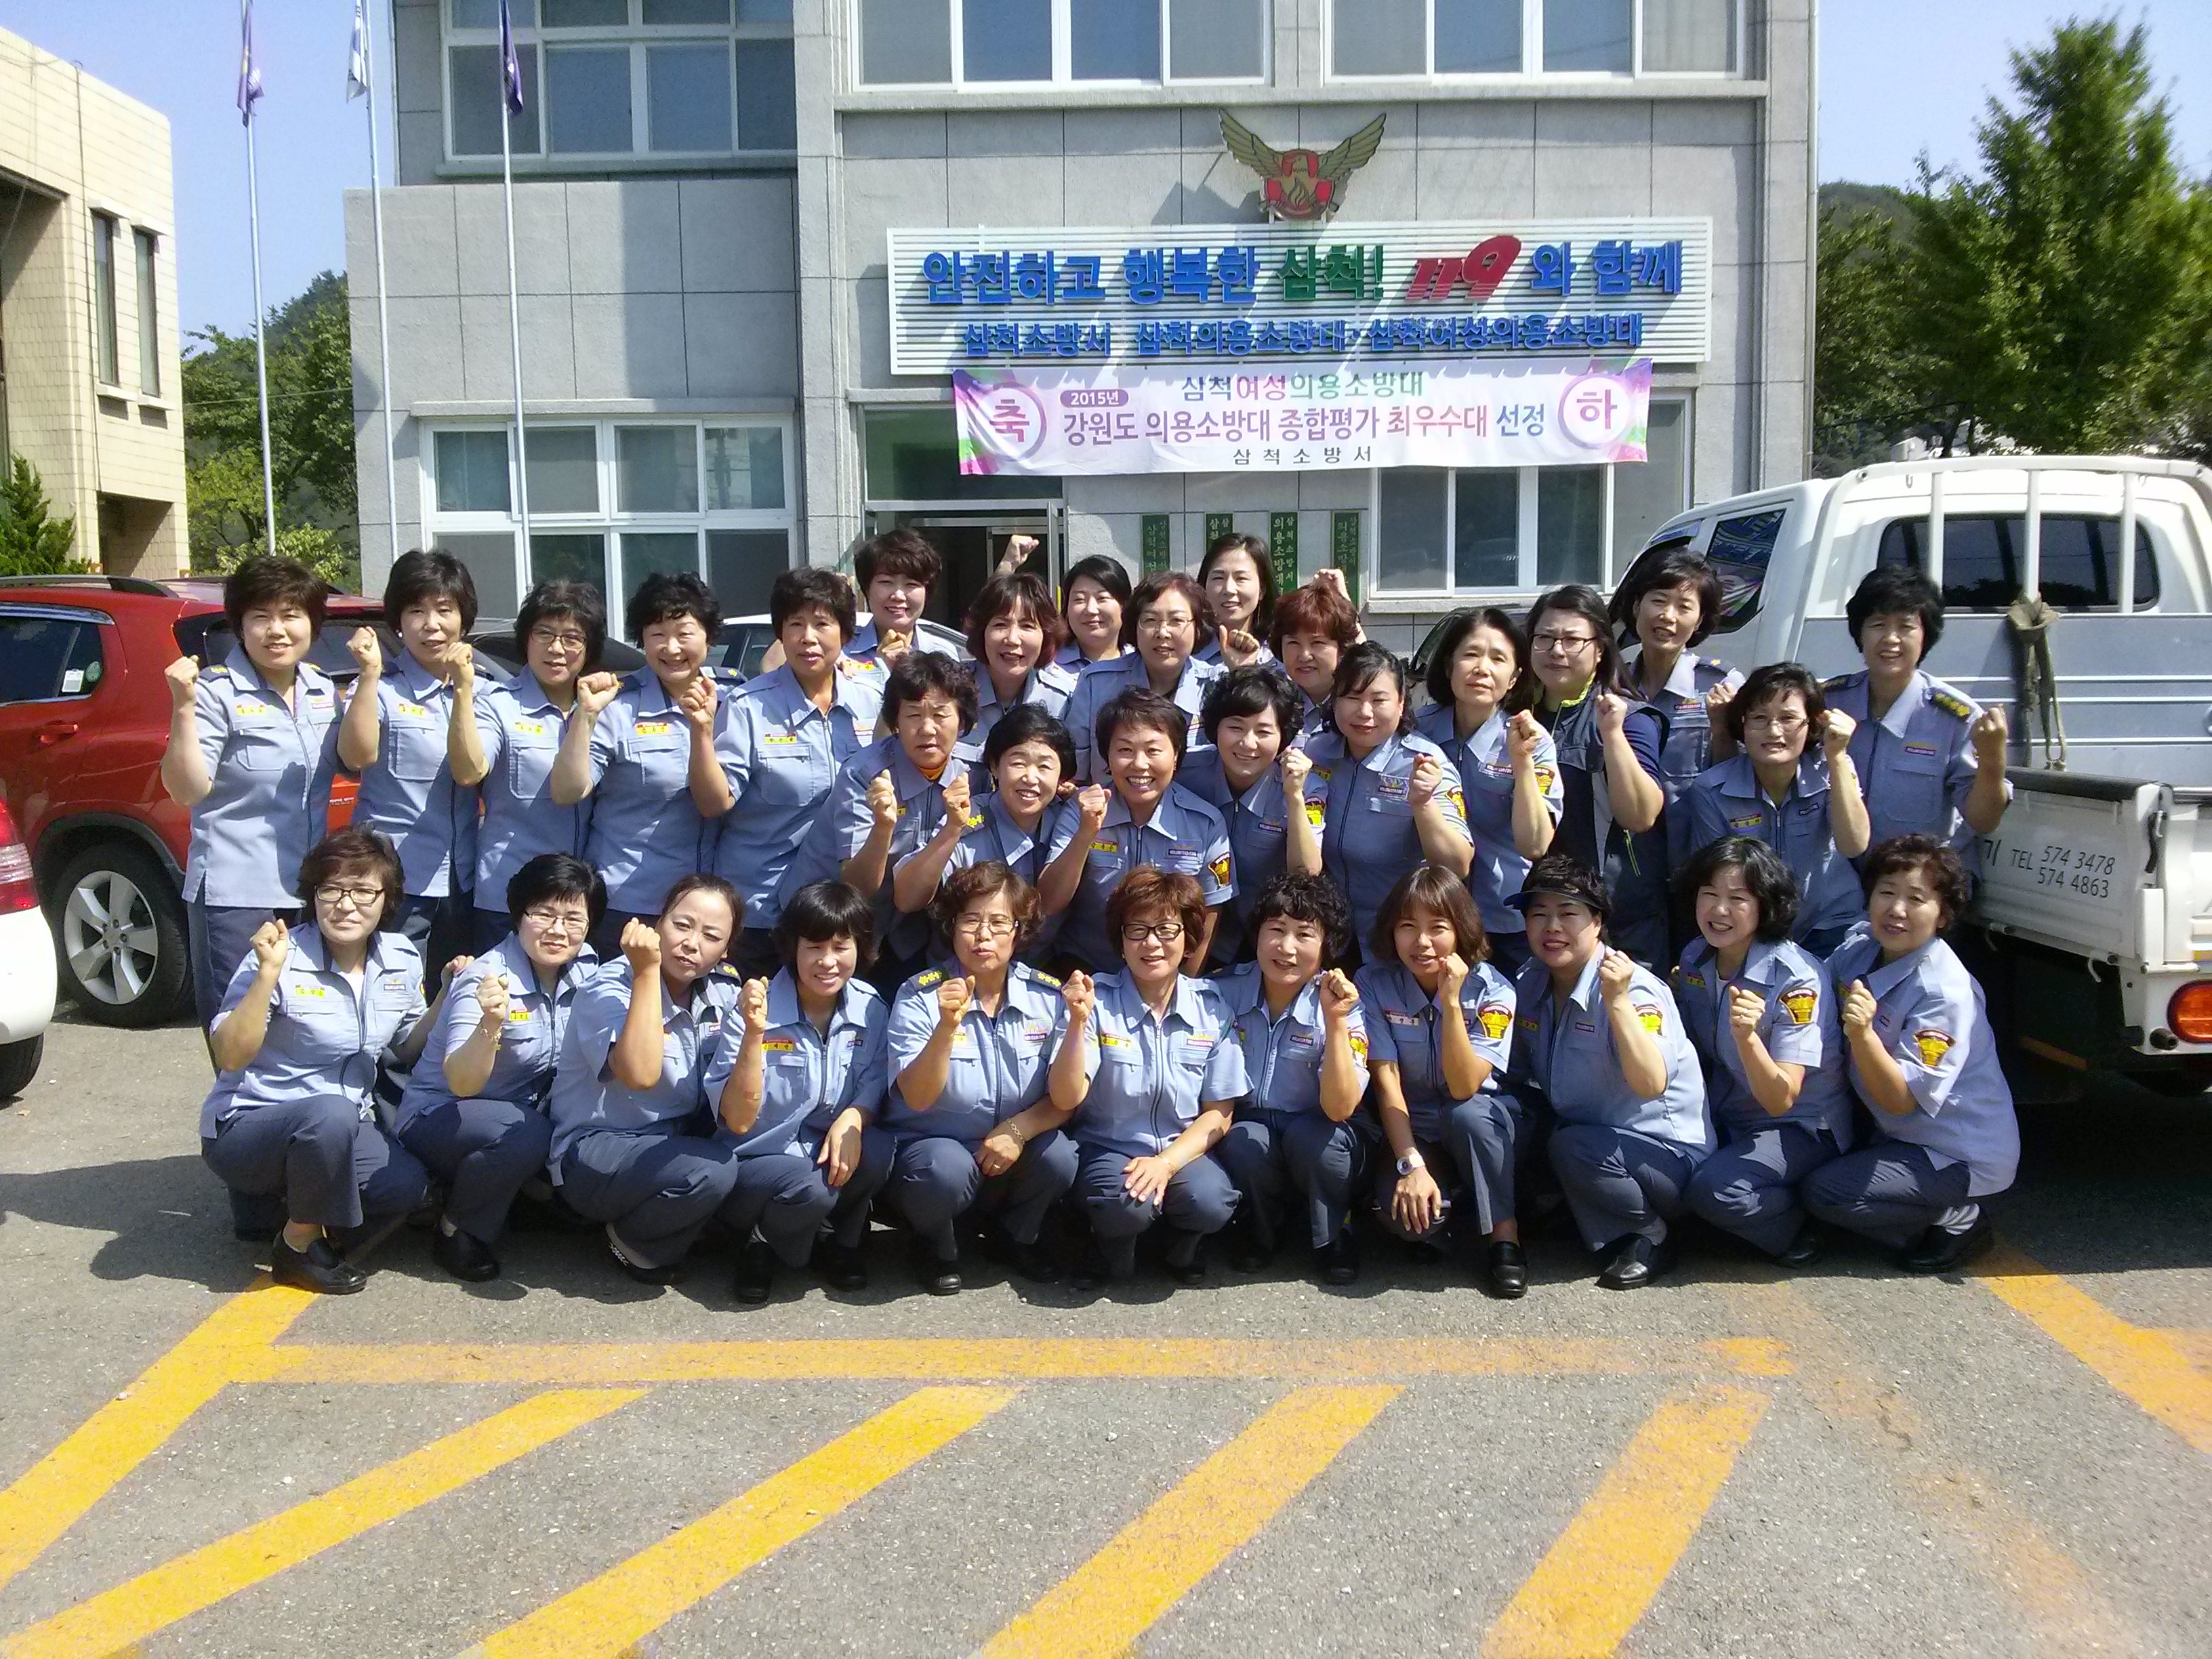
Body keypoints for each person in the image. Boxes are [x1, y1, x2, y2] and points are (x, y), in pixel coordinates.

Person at [200, 827, 444, 1294]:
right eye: (332, 889)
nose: (346, 905)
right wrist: (267, 974)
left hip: (340, 1127)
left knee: (404, 1188)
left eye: (363, 891)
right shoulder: (279, 955)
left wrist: (445, 998)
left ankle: (304, 1200)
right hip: (251, 1126)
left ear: (387, 899)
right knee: (330, 1112)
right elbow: (229, 1055)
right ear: (313, 895)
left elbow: (405, 1046)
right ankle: (296, 1244)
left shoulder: (401, 958)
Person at [1805, 836, 2019, 1271]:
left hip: (1952, 1151)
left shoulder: (1945, 993)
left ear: (1944, 915)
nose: (1897, 910)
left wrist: (1863, 1035)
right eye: (1886, 892)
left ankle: (1959, 1219)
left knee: (1826, 1194)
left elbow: (1901, 1100)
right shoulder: (1861, 947)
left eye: (1916, 899)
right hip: (1891, 1132)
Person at [395, 853, 605, 1282]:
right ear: (518, 915)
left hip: (520, 1113)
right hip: (442, 1115)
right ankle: (457, 1228)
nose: (558, 930)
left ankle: (526, 1195)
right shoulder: (486, 978)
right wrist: (490, 1024)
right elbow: (461, 1081)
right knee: (528, 1134)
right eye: (543, 914)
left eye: (573, 919)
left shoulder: (588, 970)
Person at [1508, 855, 1713, 1290]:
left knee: (1571, 1146)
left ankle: (1651, 1234)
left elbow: (1651, 1082)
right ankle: (1583, 1207)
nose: (1552, 928)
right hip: (1595, 1138)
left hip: (1668, 1156)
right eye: (1539, 915)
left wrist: (1616, 1001)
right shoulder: (1531, 980)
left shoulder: (1635, 988)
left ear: (1597, 922)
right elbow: (1515, 1071)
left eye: (1568, 914)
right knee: (1511, 1115)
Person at [162, 556, 344, 1031]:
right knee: (239, 1028)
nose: (276, 630)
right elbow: (186, 790)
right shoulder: (215, 693)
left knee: (303, 1027)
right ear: (240, 626)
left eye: (291, 616)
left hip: (308, 891)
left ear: (312, 623)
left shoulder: (322, 690)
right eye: (261, 617)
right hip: (237, 896)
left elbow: (356, 759)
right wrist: (183, 708)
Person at [882, 864, 1080, 1293]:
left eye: (998, 922)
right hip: (934, 1152)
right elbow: (917, 1097)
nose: (983, 935)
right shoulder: (919, 996)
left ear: (1019, 931)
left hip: (1011, 1149)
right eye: (970, 921)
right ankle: (935, 1244)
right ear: (951, 928)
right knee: (943, 1169)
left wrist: (1018, 1129)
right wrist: (945, 1028)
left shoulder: (1048, 997)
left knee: (1060, 1155)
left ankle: (1017, 1237)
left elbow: (1066, 1098)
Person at [546, 874, 745, 1284]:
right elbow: (639, 1074)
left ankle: (684, 1221)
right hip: (597, 1148)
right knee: (712, 1172)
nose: (691, 943)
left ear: (727, 949)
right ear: (658, 923)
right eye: (682, 925)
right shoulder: (608, 986)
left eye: (711, 936)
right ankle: (633, 1241)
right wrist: (646, 974)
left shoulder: (724, 990)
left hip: (672, 1143)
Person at [706, 880, 894, 1301]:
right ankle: (758, 1243)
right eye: (814, 947)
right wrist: (755, 1033)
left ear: (861, 948)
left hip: (823, 1155)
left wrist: (853, 1117)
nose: (828, 961)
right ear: (792, 948)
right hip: (757, 1163)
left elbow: (876, 1080)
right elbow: (736, 1119)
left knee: (878, 1149)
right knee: (811, 1186)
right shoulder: (755, 1009)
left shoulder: (871, 1007)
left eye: (841, 947)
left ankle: (836, 1241)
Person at [1061, 867, 1248, 1287]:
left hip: (1181, 1150)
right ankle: (1110, 1244)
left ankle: (1179, 1246)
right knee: (1126, 1206)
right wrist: (1076, 1023)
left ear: (1188, 938)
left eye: (1166, 929)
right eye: (1138, 930)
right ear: (1121, 941)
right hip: (1108, 1149)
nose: (1151, 943)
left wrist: (1166, 1163)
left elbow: (1219, 1112)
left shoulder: (1212, 1006)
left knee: (1212, 1202)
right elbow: (1067, 1097)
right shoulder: (1096, 1001)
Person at [1673, 837, 1853, 1265]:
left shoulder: (1797, 980)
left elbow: (1781, 1098)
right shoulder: (1696, 957)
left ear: (1766, 906)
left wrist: (1749, 1039)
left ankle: (1804, 1224)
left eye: (1738, 899)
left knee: (1716, 1191)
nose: (1719, 910)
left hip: (1799, 1125)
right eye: (1709, 894)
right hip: (1729, 1111)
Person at [1356, 864, 1528, 1298]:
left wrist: (1451, 1004)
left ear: (1461, 930)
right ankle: (1450, 1206)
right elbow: (1387, 1081)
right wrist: (1411, 1164)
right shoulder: (1373, 982)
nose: (1422, 942)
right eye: (1407, 927)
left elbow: (1465, 1086)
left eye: (1438, 927)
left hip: (1478, 1123)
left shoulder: (1494, 990)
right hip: (1412, 1128)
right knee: (1410, 1224)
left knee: (1469, 1116)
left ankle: (1504, 1237)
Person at [710, 567, 885, 978]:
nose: (808, 637)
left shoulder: (874, 702)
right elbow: (718, 800)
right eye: (795, 624)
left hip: (838, 914)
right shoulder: (748, 707)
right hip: (761, 912)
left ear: (845, 633)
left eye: (822, 624)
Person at [552, 573, 729, 956]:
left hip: (705, 910)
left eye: (684, 634)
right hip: (630, 902)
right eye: (657, 635)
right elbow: (567, 791)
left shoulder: (734, 702)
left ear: (709, 637)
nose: (672, 648)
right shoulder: (617, 706)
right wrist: (585, 716)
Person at [779, 651, 978, 987]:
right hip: (828, 928)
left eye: (940, 714)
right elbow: (857, 884)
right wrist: (883, 827)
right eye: (913, 715)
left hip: (907, 932)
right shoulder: (864, 774)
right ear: (895, 722)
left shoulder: (974, 772)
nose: (927, 729)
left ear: (963, 721)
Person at [1214, 874, 1370, 1283]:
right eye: (1276, 930)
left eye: (1304, 934)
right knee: (1244, 1140)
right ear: (1257, 934)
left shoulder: (1344, 1004)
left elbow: (1340, 1107)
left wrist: (1335, 1021)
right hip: (1249, 1121)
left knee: (1315, 1141)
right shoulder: (1222, 991)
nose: (1286, 948)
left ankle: (1335, 1232)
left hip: (1319, 1125)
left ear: (1326, 946)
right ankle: (1260, 1230)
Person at [339, 550, 484, 983]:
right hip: (396, 879)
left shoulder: (484, 692)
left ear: (464, 619)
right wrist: (368, 675)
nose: (431, 624)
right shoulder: (381, 689)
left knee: (455, 995)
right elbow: (355, 757)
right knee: (391, 992)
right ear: (398, 622)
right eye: (416, 611)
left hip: (465, 879)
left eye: (444, 610)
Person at [453, 579, 615, 950]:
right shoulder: (498, 704)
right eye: (544, 633)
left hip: (579, 904)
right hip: (510, 898)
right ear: (526, 639)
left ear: (589, 648)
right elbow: (471, 769)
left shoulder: (606, 709)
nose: (556, 648)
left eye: (572, 638)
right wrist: (463, 689)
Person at [1522, 586, 1670, 967]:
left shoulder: (1629, 717)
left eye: (1572, 640)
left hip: (1619, 917)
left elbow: (1641, 816)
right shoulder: (1517, 718)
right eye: (1545, 638)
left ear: (1600, 649)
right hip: (1541, 914)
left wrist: (1612, 735)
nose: (1557, 651)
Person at [1824, 567, 2011, 860]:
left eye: (1905, 627)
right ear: (1859, 632)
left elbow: (1983, 820)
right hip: (1839, 877)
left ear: (1926, 636)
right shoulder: (1828, 702)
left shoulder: (1955, 718)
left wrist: (1992, 760)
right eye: (1878, 625)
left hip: (1918, 879)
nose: (1891, 639)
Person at [1685, 664, 1871, 956]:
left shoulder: (1832, 768)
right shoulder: (1711, 790)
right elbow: (1716, 878)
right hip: (1754, 931)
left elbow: (1854, 844)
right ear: (1743, 724)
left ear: (1812, 723)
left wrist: (1837, 755)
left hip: (1832, 924)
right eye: (1760, 718)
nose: (1774, 731)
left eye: (1788, 719)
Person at [1416, 608, 1561, 976]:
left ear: (1514, 678)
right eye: (1471, 654)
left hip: (1503, 918)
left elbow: (1535, 845)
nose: (1482, 668)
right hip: (1428, 917)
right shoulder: (1417, 732)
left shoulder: (1531, 741)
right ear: (1449, 666)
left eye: (1498, 659)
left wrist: (1522, 762)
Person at [1301, 642, 1473, 954]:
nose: (1364, 712)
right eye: (1352, 698)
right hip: (1330, 930)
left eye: (1378, 700)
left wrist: (1423, 804)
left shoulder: (1424, 763)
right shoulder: (1317, 753)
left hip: (1398, 936)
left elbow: (1457, 865)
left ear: (1401, 702)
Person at [1050, 688, 1234, 972]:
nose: (1139, 764)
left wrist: (1184, 985)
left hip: (1164, 973)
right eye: (1125, 750)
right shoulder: (1080, 810)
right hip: (1086, 967)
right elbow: (1051, 901)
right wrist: (1086, 833)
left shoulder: (1205, 823)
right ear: (1107, 756)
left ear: (1176, 755)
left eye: (1153, 751)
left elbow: (1209, 913)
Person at [891, 705, 1088, 957]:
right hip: (961, 969)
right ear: (995, 767)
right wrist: (951, 831)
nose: (1030, 778)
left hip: (1041, 969)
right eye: (1018, 763)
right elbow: (907, 899)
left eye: (1044, 767)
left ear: (1062, 778)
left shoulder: (1068, 820)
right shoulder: (967, 818)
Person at [1610, 544, 1743, 863]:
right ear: (1637, 606)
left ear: (1699, 621)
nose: (1668, 616)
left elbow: (1744, 778)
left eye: (1684, 607)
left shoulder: (1720, 684)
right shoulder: (1614, 687)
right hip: (1630, 862)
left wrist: (1722, 730)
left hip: (1700, 857)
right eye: (1658, 600)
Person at [1189, 666, 1322, 964]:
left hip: (1268, 940)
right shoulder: (1186, 771)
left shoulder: (1308, 786)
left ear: (1283, 736)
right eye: (1235, 728)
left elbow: (1307, 873)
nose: (1248, 743)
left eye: (1263, 732)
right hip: (1195, 932)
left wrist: (1294, 796)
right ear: (1215, 728)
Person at [1062, 571, 1223, 784]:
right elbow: (1075, 778)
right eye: (1150, 620)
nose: (1163, 632)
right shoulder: (1096, 684)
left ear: (1198, 628)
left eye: (1176, 620)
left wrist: (1242, 668)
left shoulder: (1217, 686)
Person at [963, 571, 1076, 758]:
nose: (1012, 639)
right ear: (981, 632)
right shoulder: (952, 691)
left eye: (1027, 626)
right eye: (1000, 625)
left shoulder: (1064, 700)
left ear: (1046, 635)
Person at [1269, 577, 1361, 739]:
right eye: (1293, 643)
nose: (1304, 655)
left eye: (1317, 643)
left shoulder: (1362, 705)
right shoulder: (1272, 700)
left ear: (1342, 647)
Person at [844, 527, 939, 671]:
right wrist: (880, 669)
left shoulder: (943, 653)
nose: (898, 596)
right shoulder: (839, 651)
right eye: (886, 582)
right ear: (867, 588)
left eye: (911, 584)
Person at [1193, 531, 1277, 668]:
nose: (1229, 589)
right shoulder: (1188, 655)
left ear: (1262, 589)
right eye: (1218, 578)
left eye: (1241, 578)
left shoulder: (1281, 655)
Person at [1056, 554, 1132, 672]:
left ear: (1124, 605)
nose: (1090, 610)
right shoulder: (1046, 665)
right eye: (1079, 599)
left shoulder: (1145, 666)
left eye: (1102, 598)